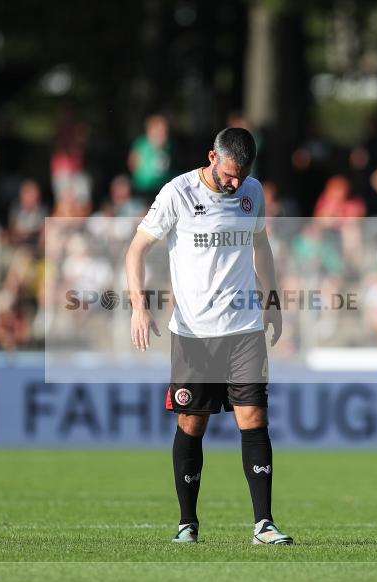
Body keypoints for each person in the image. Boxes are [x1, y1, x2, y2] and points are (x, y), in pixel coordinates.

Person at [125, 127, 292, 545]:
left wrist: (271, 301)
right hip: (194, 332)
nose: (235, 184)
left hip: (244, 329)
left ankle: (264, 523)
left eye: (242, 176)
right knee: (192, 422)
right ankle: (187, 523)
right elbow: (136, 249)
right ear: (211, 158)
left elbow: (262, 246)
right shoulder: (177, 193)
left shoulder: (253, 191)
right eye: (229, 175)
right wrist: (139, 307)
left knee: (254, 418)